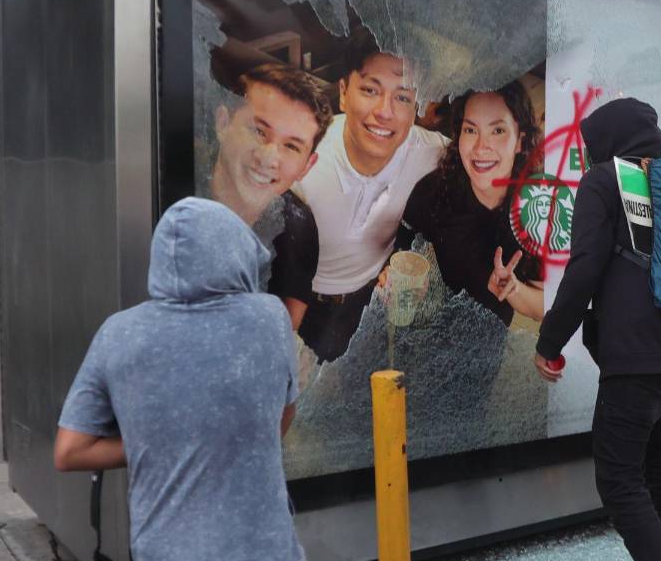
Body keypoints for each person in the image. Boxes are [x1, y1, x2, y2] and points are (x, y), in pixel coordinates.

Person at [54, 198, 329, 561]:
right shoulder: (269, 319)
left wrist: (161, 439)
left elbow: (69, 452)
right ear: (236, 251)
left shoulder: (118, 334)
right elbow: (279, 421)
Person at [533, 98, 661, 561]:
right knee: (653, 463)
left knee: (617, 475)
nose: (586, 157)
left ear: (606, 141)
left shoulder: (606, 180)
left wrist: (549, 341)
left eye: (589, 148)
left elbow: (584, 267)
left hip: (634, 353)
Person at [295, 29, 448, 361]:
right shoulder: (303, 157)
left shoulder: (426, 150)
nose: (385, 111)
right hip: (303, 308)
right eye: (370, 90)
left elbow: (483, 164)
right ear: (344, 93)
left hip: (370, 306)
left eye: (402, 97)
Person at [396, 82, 545, 325]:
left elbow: (544, 307)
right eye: (471, 130)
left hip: (483, 341)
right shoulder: (435, 189)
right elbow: (403, 243)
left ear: (520, 141)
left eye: (497, 131)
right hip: (422, 325)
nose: (480, 147)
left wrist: (514, 289)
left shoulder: (537, 211)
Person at [210, 62, 334, 329]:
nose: (268, 157)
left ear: (306, 166)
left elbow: (282, 336)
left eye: (291, 146)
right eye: (258, 131)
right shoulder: (165, 193)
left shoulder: (298, 227)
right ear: (223, 123)